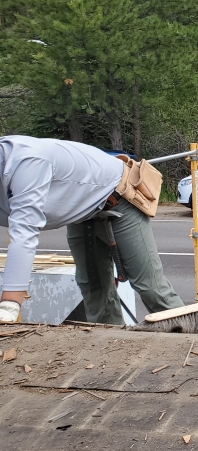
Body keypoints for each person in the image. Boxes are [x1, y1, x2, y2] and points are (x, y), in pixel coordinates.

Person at [0, 136, 182, 324]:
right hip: (81, 212)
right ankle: (111, 347)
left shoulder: (28, 162)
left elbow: (24, 234)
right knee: (94, 288)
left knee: (150, 286)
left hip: (117, 199)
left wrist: (10, 304)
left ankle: (187, 338)